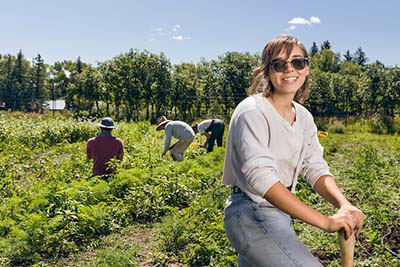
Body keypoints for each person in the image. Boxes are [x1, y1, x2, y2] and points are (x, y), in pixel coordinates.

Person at [222, 35, 364, 266]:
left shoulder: (304, 117)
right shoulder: (252, 111)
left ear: (306, 68)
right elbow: (261, 179)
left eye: (298, 62)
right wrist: (327, 222)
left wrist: (343, 204)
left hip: (279, 215)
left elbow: (314, 166)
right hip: (251, 213)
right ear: (267, 71)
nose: (290, 69)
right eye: (279, 64)